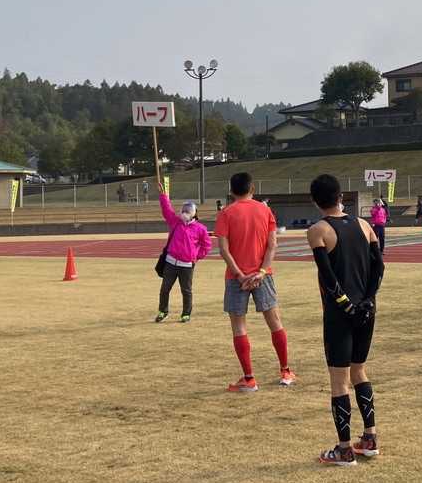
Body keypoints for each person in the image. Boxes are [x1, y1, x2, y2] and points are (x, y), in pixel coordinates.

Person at [307, 174, 386, 466]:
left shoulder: (318, 230)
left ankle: (343, 449)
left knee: (339, 381)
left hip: (340, 314)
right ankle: (370, 438)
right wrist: (367, 300)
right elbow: (379, 266)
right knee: (359, 371)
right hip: (367, 310)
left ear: (315, 201)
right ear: (341, 196)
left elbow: (328, 276)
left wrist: (346, 304)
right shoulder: (365, 225)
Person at [216, 171, 294, 392]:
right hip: (263, 275)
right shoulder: (264, 210)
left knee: (239, 327)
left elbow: (224, 250)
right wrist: (261, 271)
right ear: (252, 189)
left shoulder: (226, 213)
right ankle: (285, 371)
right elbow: (272, 245)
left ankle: (249, 378)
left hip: (235, 277)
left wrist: (240, 274)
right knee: (275, 321)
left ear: (231, 191)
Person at [154, 189, 212, 323]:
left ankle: (186, 314)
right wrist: (163, 196)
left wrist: (196, 256)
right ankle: (163, 311)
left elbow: (206, 245)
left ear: (194, 214)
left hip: (186, 265)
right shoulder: (175, 222)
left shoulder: (200, 228)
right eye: (183, 210)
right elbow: (166, 210)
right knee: (165, 289)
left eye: (188, 211)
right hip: (170, 263)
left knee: (186, 290)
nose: (185, 212)